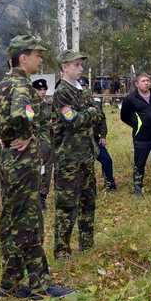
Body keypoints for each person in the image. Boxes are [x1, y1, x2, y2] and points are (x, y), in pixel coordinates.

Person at [0, 34, 74, 300]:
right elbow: (21, 113)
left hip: (8, 161)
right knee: (29, 222)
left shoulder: (2, 85)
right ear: (22, 57)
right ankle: (40, 284)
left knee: (13, 220)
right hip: (22, 163)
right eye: (37, 54)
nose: (40, 58)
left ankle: (10, 283)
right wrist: (26, 131)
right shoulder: (21, 86)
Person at [52, 50, 102, 260]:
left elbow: (98, 116)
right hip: (69, 159)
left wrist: (90, 112)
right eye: (76, 65)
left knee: (88, 201)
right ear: (64, 67)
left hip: (87, 155)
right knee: (66, 205)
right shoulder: (61, 92)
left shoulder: (84, 89)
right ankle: (62, 250)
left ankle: (86, 243)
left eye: (81, 65)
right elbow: (72, 120)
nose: (80, 68)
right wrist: (91, 111)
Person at [120, 73, 151, 196]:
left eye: (148, 80)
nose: (146, 83)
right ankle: (138, 188)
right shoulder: (130, 98)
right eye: (143, 81)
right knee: (139, 163)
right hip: (141, 138)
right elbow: (124, 116)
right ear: (137, 84)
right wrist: (137, 124)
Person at [32, 78, 54, 210]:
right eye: (39, 89)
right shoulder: (29, 106)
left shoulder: (48, 105)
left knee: (47, 171)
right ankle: (36, 198)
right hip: (36, 143)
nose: (42, 92)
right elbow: (29, 123)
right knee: (38, 171)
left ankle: (43, 197)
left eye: (44, 89)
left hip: (48, 143)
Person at [94, 99, 117, 191]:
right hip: (79, 141)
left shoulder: (95, 104)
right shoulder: (73, 103)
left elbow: (102, 120)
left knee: (107, 160)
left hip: (94, 139)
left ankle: (110, 184)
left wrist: (103, 136)